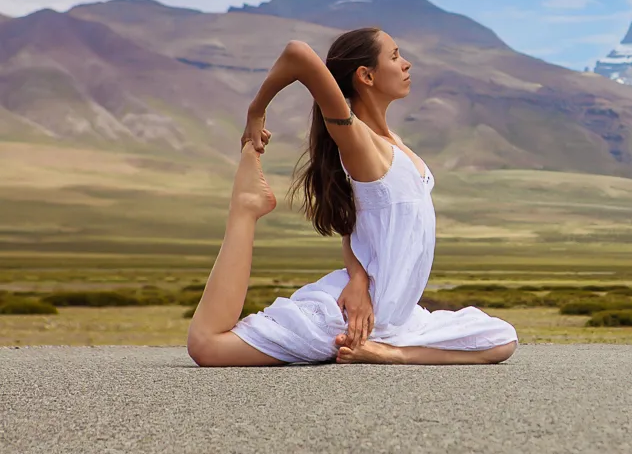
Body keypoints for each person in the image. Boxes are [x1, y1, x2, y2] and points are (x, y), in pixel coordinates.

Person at [185, 27, 519, 367]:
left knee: (500, 338)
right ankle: (245, 206)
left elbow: (361, 224)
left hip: (395, 320)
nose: (406, 64)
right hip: (346, 318)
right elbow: (297, 53)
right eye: (394, 56)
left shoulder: (393, 141)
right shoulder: (357, 137)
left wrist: (359, 276)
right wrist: (256, 111)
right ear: (366, 76)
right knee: (207, 345)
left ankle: (391, 353)